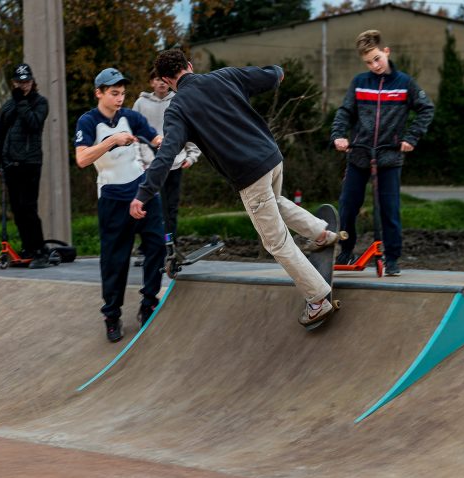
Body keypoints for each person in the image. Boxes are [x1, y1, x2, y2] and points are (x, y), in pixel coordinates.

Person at [129, 49, 341, 328]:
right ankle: (321, 232)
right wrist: (278, 70)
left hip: (250, 176)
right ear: (190, 66)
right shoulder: (224, 76)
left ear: (167, 81)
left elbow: (166, 155)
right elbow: (272, 74)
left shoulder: (177, 109)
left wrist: (143, 193)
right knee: (274, 201)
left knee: (276, 241)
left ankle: (317, 300)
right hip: (273, 157)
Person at [330, 29, 434, 277]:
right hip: (359, 155)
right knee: (347, 205)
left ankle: (393, 258)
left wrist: (411, 138)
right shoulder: (359, 82)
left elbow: (426, 109)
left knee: (389, 208)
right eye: (368, 62)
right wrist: (339, 135)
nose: (374, 65)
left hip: (389, 157)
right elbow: (345, 112)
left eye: (377, 58)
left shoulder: (405, 83)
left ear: (386, 51)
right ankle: (346, 249)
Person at [74, 67, 164, 342]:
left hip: (142, 191)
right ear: (99, 93)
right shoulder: (88, 122)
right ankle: (112, 315)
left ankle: (148, 302)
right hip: (113, 197)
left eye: (123, 93)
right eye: (114, 93)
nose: (119, 98)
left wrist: (170, 141)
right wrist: (112, 141)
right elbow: (82, 159)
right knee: (115, 261)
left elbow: (155, 138)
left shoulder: (131, 117)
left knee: (157, 245)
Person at [0, 63, 51, 268]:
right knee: (17, 209)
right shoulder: (8, 106)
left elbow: (34, 123)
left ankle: (40, 250)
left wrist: (22, 102)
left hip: (30, 162)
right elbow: (0, 135)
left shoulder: (40, 103)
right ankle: (28, 247)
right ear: (13, 83)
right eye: (19, 82)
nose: (23, 86)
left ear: (32, 82)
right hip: (11, 164)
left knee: (28, 208)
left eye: (26, 82)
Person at [133, 69, 201, 236]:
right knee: (151, 206)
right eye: (157, 79)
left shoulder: (178, 99)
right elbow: (134, 134)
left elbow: (190, 128)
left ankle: (171, 245)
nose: (162, 83)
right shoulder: (141, 103)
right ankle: (149, 247)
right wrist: (138, 161)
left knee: (171, 206)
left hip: (175, 163)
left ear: (169, 81)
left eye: (164, 79)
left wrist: (192, 156)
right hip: (150, 165)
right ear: (151, 83)